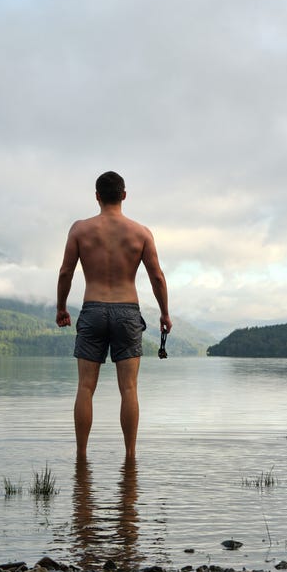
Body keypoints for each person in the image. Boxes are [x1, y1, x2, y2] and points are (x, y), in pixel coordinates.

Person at [56, 171, 172, 460]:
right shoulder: (141, 233)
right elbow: (157, 276)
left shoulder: (80, 230)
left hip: (93, 309)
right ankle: (130, 457)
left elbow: (66, 272)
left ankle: (81, 456)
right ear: (124, 195)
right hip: (127, 311)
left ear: (97, 196)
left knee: (85, 386)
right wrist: (165, 313)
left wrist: (61, 307)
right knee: (129, 388)